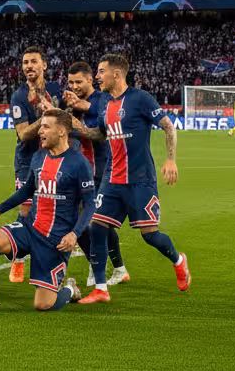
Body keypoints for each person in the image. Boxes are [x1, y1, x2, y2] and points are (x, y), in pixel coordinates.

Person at [71, 53, 190, 302]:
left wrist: (170, 159)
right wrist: (76, 126)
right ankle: (101, 289)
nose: (97, 76)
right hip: (112, 180)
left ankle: (178, 260)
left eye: (101, 71)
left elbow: (168, 126)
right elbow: (99, 134)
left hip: (140, 179)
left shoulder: (140, 98)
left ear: (116, 73)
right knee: (97, 227)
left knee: (150, 234)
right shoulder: (106, 105)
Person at [0, 110, 95, 312]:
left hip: (56, 239)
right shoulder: (38, 156)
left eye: (46, 126)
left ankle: (70, 289)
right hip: (30, 228)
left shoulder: (79, 163)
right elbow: (27, 189)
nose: (40, 131)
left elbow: (90, 204)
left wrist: (74, 234)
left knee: (43, 305)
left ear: (62, 131)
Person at [62, 60, 129, 287]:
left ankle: (102, 267)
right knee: (84, 222)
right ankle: (116, 268)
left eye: (79, 81)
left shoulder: (102, 99)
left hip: (101, 170)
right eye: (71, 82)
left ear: (90, 79)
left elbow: (102, 131)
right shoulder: (71, 102)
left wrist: (78, 110)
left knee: (98, 222)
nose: (75, 86)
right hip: (79, 171)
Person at [7, 46, 62, 283]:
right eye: (25, 62)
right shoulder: (19, 96)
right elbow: (23, 134)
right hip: (28, 162)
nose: (28, 66)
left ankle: (54, 255)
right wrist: (46, 117)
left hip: (55, 160)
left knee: (58, 208)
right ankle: (17, 259)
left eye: (33, 62)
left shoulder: (56, 90)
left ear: (44, 65)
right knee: (26, 210)